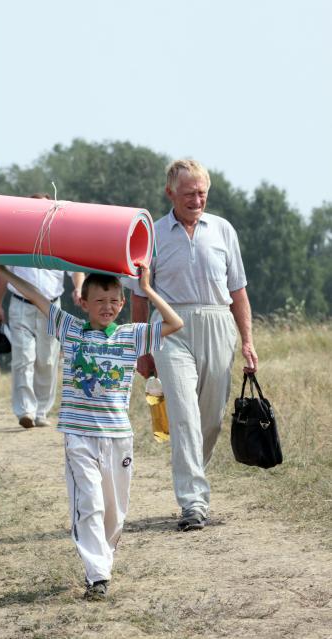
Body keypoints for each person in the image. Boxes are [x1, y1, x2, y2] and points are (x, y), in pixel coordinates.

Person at [0, 262, 183, 600]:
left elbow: (175, 323)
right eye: (99, 301)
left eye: (113, 301)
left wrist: (148, 289)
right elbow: (38, 298)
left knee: (115, 511)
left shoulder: (130, 334)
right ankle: (97, 577)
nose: (106, 307)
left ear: (122, 304)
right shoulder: (71, 329)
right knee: (89, 504)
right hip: (78, 436)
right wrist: (4, 271)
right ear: (83, 302)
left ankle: (103, 561)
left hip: (118, 437)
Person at [127, 159, 258, 532]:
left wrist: (247, 341)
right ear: (170, 193)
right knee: (183, 415)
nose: (196, 199)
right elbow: (139, 297)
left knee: (210, 419)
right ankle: (193, 502)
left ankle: (192, 475)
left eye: (202, 192)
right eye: (188, 193)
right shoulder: (151, 233)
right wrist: (142, 347)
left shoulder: (223, 230)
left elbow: (239, 293)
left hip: (218, 322)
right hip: (169, 329)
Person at [0, 193, 85, 429]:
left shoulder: (61, 238)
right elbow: (3, 275)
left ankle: (42, 410)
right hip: (20, 304)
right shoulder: (16, 238)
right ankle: (26, 410)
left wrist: (78, 288)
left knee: (47, 360)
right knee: (23, 358)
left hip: (51, 306)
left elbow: (75, 269)